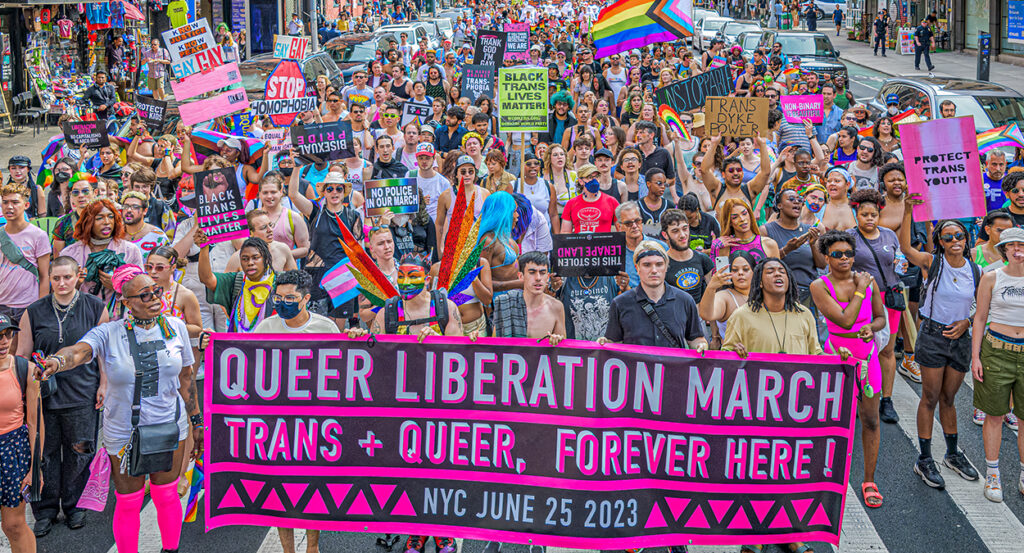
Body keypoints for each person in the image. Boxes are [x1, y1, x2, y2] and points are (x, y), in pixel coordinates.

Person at [38, 265, 201, 553]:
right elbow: (79, 351)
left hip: (170, 424)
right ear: (126, 303)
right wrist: (58, 362)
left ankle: (170, 549)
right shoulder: (108, 333)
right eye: (144, 295)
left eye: (156, 292)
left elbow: (186, 379)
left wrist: (196, 423)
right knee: (129, 499)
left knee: (166, 495)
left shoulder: (175, 327)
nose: (154, 299)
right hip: (124, 430)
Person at [17, 256, 107, 535]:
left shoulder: (95, 307)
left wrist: (105, 384)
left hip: (83, 393)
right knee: (44, 454)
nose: (62, 283)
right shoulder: (34, 311)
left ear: (78, 276)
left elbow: (104, 352)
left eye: (67, 277)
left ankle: (74, 506)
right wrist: (23, 393)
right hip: (44, 396)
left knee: (80, 452)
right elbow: (22, 355)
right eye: (56, 278)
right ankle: (44, 509)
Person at [898, 199, 981, 489]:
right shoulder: (932, 263)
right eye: (948, 237)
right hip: (933, 336)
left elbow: (979, 308)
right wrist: (909, 211)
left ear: (966, 238)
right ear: (941, 242)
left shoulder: (976, 270)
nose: (955, 240)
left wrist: (967, 323)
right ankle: (924, 458)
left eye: (959, 236)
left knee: (949, 398)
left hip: (960, 339)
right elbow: (906, 248)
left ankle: (952, 454)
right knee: (930, 398)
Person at [810, 231, 887, 507]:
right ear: (827, 258)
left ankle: (869, 480)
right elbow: (844, 320)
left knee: (870, 420)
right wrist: (859, 290)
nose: (844, 259)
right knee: (832, 423)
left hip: (867, 358)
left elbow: (880, 318)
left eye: (848, 254)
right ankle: (825, 481)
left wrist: (871, 328)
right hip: (836, 359)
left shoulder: (869, 282)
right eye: (837, 254)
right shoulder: (819, 286)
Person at [971, 226, 1024, 502]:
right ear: (1004, 250)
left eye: (1022, 246)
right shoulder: (991, 278)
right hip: (997, 350)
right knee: (994, 415)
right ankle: (993, 473)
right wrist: (976, 357)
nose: (1018, 250)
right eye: (1012, 246)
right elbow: (979, 318)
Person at [847, 188, 902, 425]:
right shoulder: (849, 237)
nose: (869, 219)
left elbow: (899, 261)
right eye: (864, 215)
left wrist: (902, 265)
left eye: (874, 215)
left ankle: (886, 400)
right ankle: (855, 396)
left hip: (889, 298)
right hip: (862, 300)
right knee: (861, 350)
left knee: (887, 351)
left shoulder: (890, 235)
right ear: (856, 215)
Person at [599, 241, 707, 352]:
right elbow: (614, 343)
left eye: (659, 264)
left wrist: (702, 345)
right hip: (635, 369)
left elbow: (696, 338)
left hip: (673, 369)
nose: (654, 270)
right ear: (637, 268)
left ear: (666, 267)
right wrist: (606, 344)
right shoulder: (620, 303)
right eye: (647, 265)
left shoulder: (685, 300)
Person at [0, 312, 42, 553]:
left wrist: (35, 469)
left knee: (14, 525)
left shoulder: (25, 369)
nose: (4, 341)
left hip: (13, 450)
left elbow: (36, 424)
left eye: (8, 334)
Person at [61, 199, 145, 305]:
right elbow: (59, 293)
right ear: (88, 222)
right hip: (83, 315)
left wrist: (118, 286)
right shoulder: (70, 254)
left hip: (119, 317)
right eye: (99, 218)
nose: (106, 222)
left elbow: (141, 289)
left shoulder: (130, 251)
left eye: (110, 217)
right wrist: (75, 284)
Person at [1, 183, 51, 331]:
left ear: (26, 205)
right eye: (5, 202)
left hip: (27, 304)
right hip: (2, 304)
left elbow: (44, 276)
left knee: (24, 350)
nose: (9, 207)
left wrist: (41, 307)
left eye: (15, 202)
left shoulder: (38, 235)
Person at [491, 251, 566, 340]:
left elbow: (563, 348)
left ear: (548, 276)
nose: (538, 278)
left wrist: (556, 339)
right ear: (521, 276)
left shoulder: (556, 307)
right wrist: (474, 340)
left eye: (542, 273)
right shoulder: (507, 304)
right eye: (532, 272)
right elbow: (495, 344)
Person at [661, 209, 713, 304]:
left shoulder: (703, 259)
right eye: (675, 231)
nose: (682, 235)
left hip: (700, 315)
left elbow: (713, 294)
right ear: (665, 234)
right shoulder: (661, 264)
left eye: (684, 229)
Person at [119, 191, 169, 259]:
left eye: (135, 207)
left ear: (145, 211)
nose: (129, 210)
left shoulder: (157, 236)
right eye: (126, 206)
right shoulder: (115, 234)